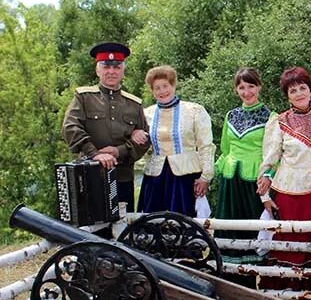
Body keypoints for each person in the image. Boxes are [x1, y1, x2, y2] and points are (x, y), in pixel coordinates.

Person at [257, 66, 311, 291]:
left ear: (310, 89)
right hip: (290, 194)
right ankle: (285, 291)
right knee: (290, 242)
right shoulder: (278, 121)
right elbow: (268, 161)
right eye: (293, 90)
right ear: (287, 95)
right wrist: (264, 195)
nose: (299, 93)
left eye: (302, 88)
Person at [61, 42, 149, 211]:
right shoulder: (84, 98)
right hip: (89, 176)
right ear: (98, 70)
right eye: (106, 66)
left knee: (122, 229)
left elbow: (145, 140)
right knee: (89, 231)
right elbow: (70, 127)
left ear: (123, 70)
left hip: (122, 178)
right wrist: (94, 154)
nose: (111, 71)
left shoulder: (134, 104)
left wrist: (119, 151)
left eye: (116, 67)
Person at [133, 66, 215, 216]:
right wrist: (135, 134)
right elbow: (140, 142)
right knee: (153, 222)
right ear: (152, 91)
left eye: (165, 86)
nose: (162, 91)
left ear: (174, 85)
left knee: (184, 222)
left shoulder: (194, 111)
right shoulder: (146, 114)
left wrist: (206, 176)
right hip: (155, 178)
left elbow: (206, 145)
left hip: (185, 178)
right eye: (157, 88)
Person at [214, 68, 275, 262]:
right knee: (228, 227)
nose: (246, 92)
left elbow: (274, 153)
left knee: (253, 230)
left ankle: (254, 274)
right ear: (236, 90)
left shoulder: (270, 116)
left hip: (255, 182)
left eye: (251, 86)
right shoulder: (231, 115)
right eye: (241, 87)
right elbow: (225, 148)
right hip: (230, 181)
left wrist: (269, 175)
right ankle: (228, 274)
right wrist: (209, 174)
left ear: (259, 87)